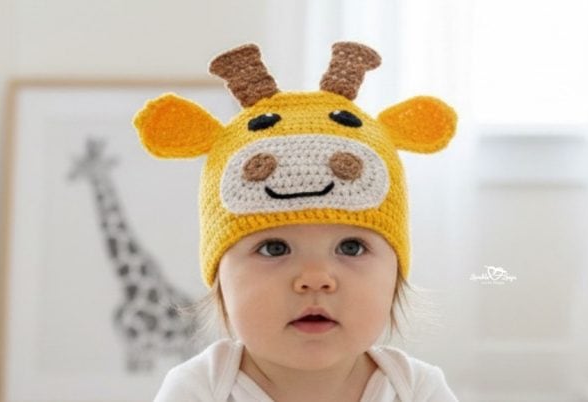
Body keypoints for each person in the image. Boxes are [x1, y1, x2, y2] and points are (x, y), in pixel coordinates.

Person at [134, 41, 459, 402]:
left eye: (351, 247)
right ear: (219, 281)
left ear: (396, 277)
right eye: (274, 248)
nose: (315, 279)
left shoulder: (416, 390)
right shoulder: (199, 389)